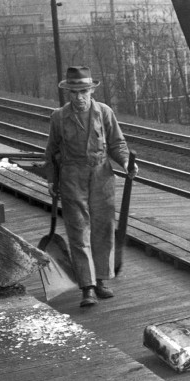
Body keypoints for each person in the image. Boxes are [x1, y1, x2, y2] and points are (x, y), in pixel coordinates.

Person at [45, 65, 138, 308]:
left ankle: (101, 280)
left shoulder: (104, 112)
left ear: (91, 91)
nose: (79, 97)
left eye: (83, 92)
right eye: (74, 92)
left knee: (103, 229)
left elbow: (117, 144)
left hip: (101, 177)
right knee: (78, 232)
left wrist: (126, 163)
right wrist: (52, 180)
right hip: (72, 178)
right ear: (68, 93)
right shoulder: (58, 117)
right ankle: (87, 287)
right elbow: (51, 151)